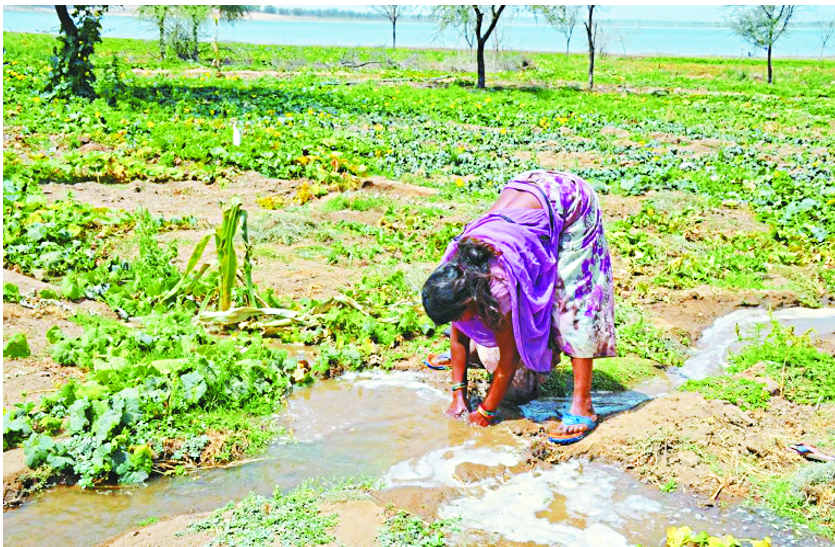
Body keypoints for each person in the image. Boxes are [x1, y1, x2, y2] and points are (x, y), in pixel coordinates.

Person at [421, 169, 616, 444]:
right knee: (493, 337)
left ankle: (583, 405)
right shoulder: (454, 272)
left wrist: (486, 412)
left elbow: (508, 362)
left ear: (470, 302)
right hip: (528, 188)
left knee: (572, 304)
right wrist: (458, 395)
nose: (460, 323)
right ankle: (480, 354)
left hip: (570, 201)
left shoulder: (497, 288)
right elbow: (458, 333)